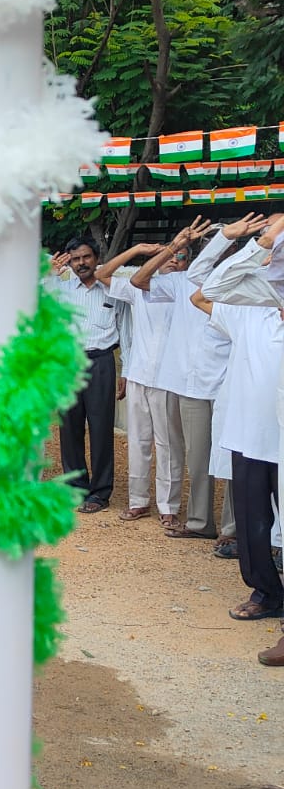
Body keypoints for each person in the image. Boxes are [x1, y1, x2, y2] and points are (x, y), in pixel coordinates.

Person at [202, 212, 284, 663]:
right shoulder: (248, 309)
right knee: (253, 526)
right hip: (250, 437)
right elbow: (207, 288)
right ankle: (266, 593)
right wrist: (259, 242)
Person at [135, 217, 243, 544]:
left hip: (229, 384)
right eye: (207, 242)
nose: (212, 247)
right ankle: (200, 523)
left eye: (222, 242)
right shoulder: (182, 281)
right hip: (189, 385)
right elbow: (140, 280)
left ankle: (233, 530)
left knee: (235, 459)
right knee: (198, 460)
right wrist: (174, 246)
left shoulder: (241, 283)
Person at [97, 239, 185, 529]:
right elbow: (103, 274)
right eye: (167, 256)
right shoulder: (139, 288)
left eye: (180, 257)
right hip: (137, 374)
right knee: (138, 441)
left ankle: (168, 506)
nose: (173, 261)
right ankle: (138, 501)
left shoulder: (186, 288)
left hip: (169, 378)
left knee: (168, 443)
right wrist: (137, 251)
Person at [49, 236, 121, 513]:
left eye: (86, 257)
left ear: (96, 257)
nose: (81, 263)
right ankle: (76, 487)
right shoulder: (62, 289)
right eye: (76, 258)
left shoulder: (112, 290)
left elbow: (125, 328)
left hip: (101, 361)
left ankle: (100, 492)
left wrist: (126, 365)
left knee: (101, 428)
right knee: (70, 428)